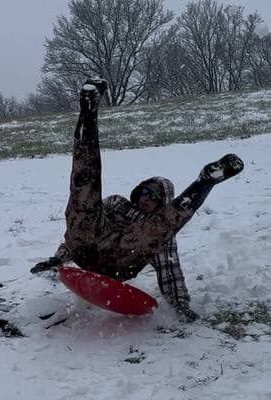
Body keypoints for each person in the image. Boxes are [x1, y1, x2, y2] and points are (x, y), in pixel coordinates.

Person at [31, 78, 244, 322]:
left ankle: (204, 183)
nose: (146, 198)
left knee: (158, 230)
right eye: (144, 192)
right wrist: (57, 259)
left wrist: (181, 306)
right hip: (86, 249)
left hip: (120, 262)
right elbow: (82, 225)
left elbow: (170, 271)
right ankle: (88, 112)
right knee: (83, 193)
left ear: (162, 203)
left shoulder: (160, 234)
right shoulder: (117, 204)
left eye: (154, 196)